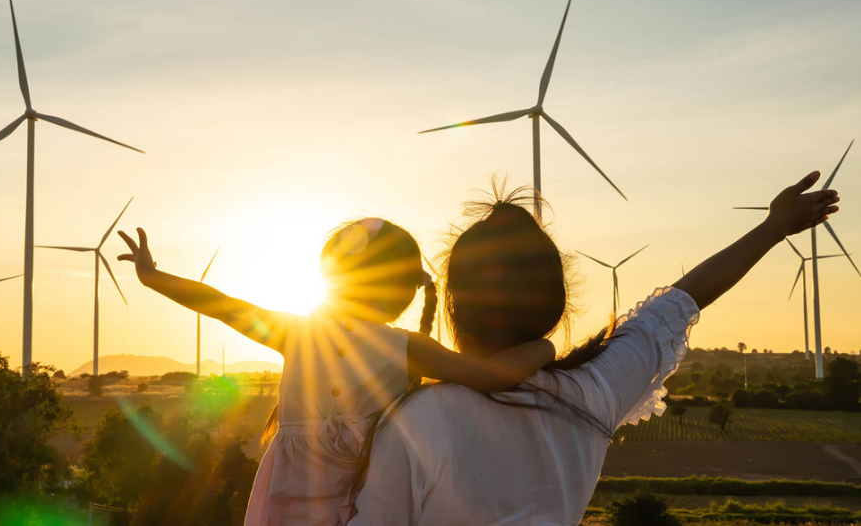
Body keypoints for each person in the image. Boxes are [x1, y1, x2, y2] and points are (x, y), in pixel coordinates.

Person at [349, 173, 840, 526]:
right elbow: (682, 300)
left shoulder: (417, 421)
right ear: (557, 304)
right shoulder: (592, 394)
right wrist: (775, 226)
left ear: (453, 305)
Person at [117, 217, 555, 526]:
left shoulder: (297, 332)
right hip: (356, 504)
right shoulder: (405, 348)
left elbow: (219, 305)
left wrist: (153, 277)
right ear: (402, 290)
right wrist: (544, 347)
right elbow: (491, 375)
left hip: (295, 501)